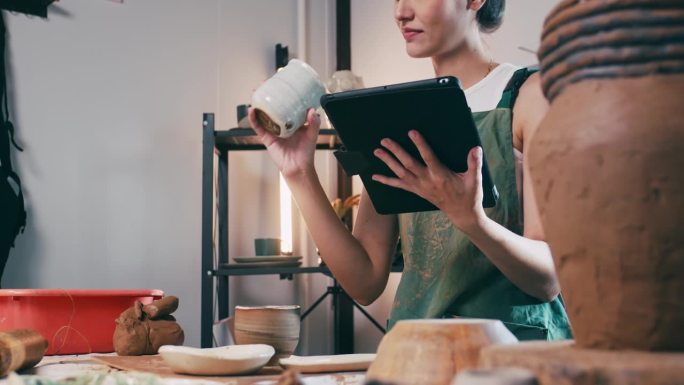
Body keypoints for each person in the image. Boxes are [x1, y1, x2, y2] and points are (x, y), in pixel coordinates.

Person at [249, 0, 571, 340]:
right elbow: (364, 282)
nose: (400, 12)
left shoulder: (531, 96)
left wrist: (472, 221)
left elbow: (549, 278)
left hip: (509, 359)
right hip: (415, 353)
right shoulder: (393, 113)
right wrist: (299, 174)